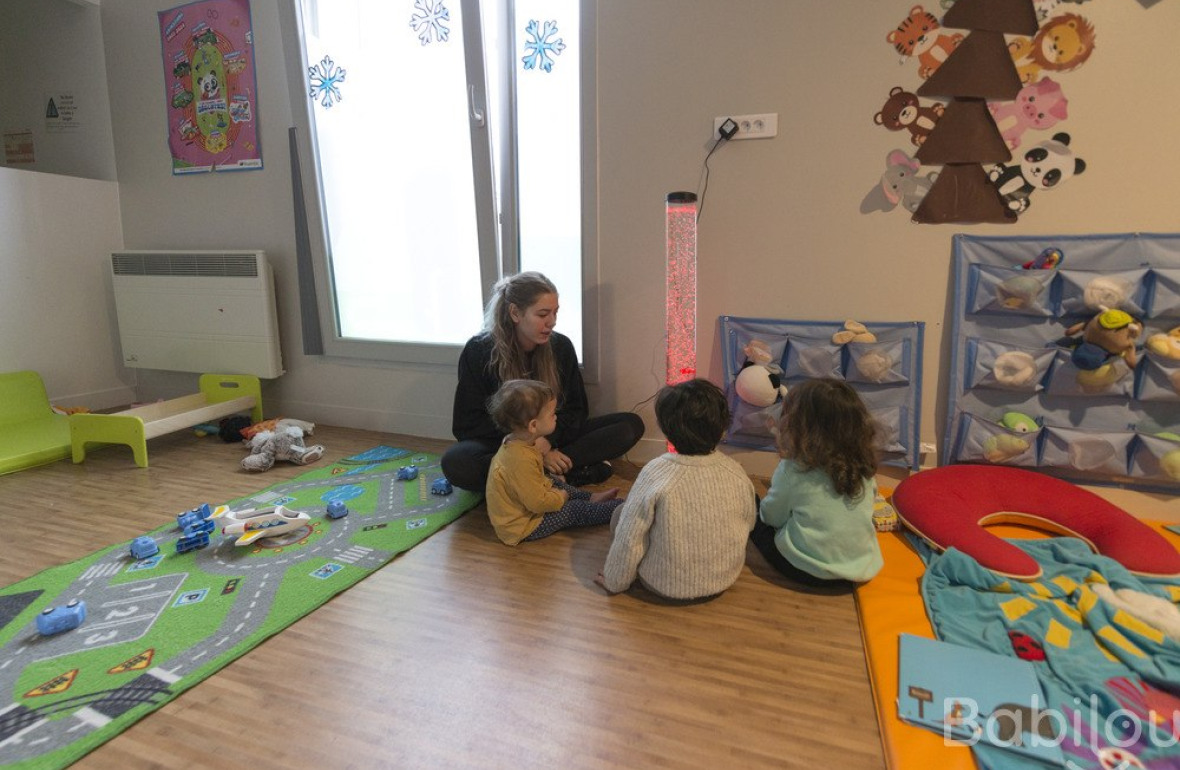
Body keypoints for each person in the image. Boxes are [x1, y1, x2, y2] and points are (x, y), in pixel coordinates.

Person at [441, 271, 645, 492]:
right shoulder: (479, 351)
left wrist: (548, 443)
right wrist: (525, 441)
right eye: (542, 314)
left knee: (629, 425)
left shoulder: (561, 347)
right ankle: (563, 474)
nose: (552, 322)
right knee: (456, 462)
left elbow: (577, 410)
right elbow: (466, 424)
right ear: (515, 313)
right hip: (504, 446)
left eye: (555, 313)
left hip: (553, 439)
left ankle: (534, 478)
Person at [596, 379, 756, 600]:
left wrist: (615, 581)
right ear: (721, 430)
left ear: (667, 431)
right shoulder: (736, 471)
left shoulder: (655, 472)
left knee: (621, 515)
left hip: (663, 584)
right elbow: (749, 521)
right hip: (722, 579)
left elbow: (628, 537)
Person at [751, 378, 884, 586]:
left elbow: (770, 517)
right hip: (859, 570)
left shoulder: (792, 469)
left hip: (805, 569)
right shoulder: (864, 469)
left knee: (756, 512)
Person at [485, 379, 624, 545]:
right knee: (572, 510)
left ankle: (592, 498)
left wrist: (555, 489)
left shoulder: (518, 443)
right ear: (533, 425)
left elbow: (533, 485)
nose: (556, 416)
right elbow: (537, 503)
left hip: (530, 508)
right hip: (522, 526)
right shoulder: (519, 460)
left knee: (557, 484)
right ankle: (621, 509)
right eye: (551, 414)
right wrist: (561, 498)